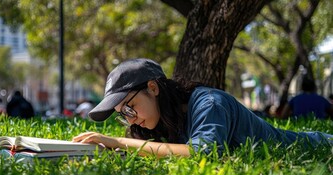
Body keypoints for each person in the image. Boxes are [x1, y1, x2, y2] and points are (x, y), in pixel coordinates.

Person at [72, 58, 333, 157]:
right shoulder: (162, 118)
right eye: (122, 115)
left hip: (317, 144)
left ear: (153, 88)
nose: (130, 120)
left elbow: (203, 153)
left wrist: (118, 142)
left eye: (130, 108)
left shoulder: (210, 103)